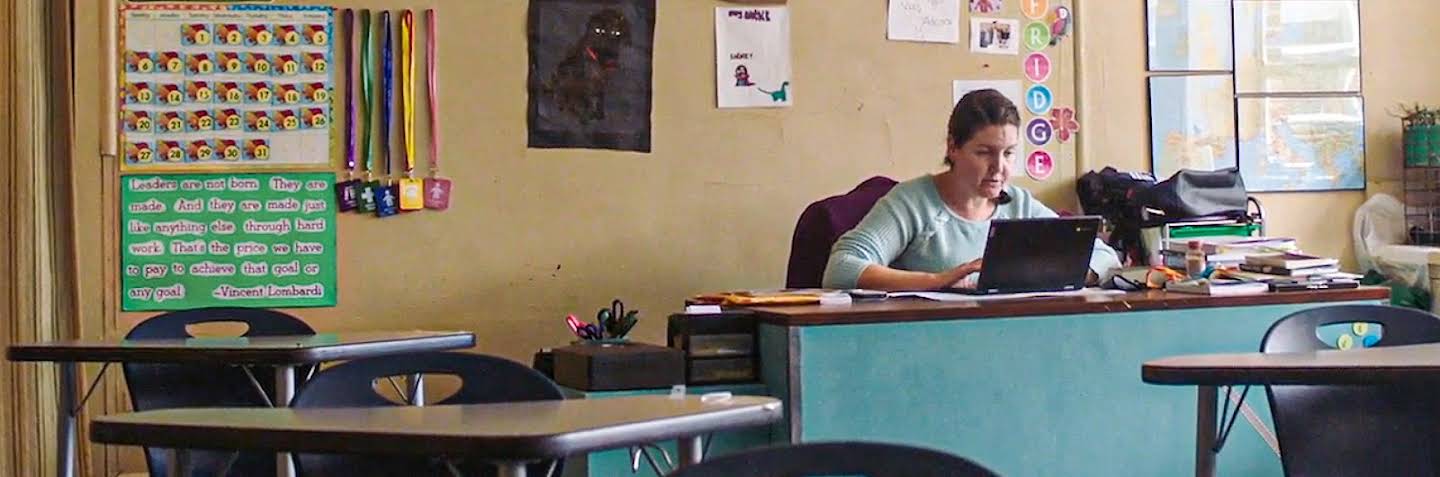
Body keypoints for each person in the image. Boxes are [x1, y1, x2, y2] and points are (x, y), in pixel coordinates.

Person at [821, 89, 1122, 291]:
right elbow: (842, 269)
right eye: (984, 153)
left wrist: (1052, 273)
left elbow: (1105, 258)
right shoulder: (914, 202)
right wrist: (938, 280)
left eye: (1008, 154)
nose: (999, 168)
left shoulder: (1018, 205)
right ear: (953, 147)